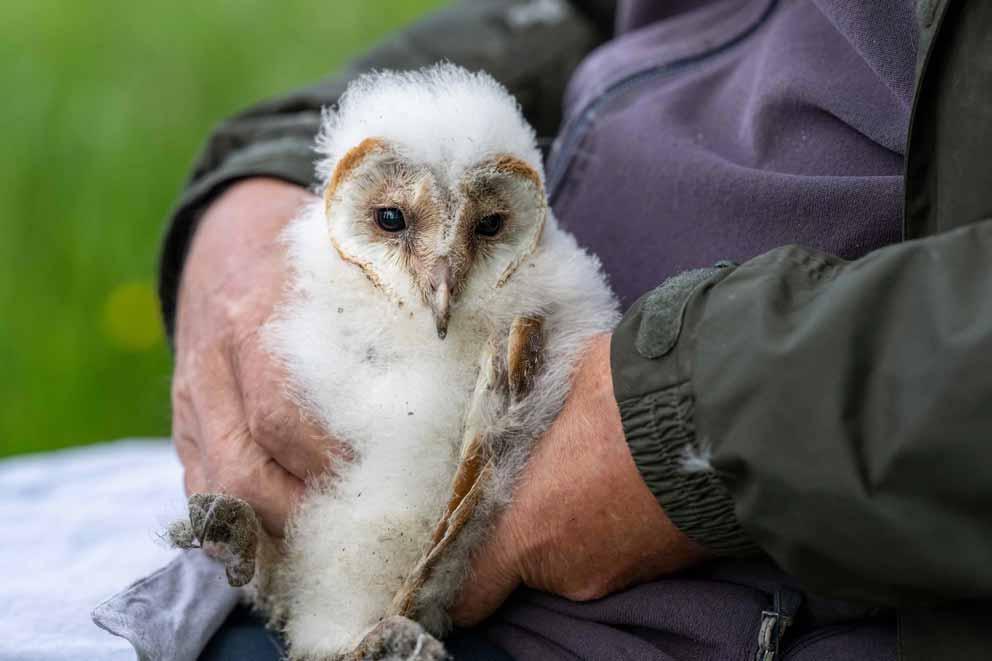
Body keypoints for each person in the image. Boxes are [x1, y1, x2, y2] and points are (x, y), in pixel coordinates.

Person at [155, 0, 992, 659]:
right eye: (389, 221)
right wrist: (265, 170)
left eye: (484, 231)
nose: (441, 275)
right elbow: (580, 11)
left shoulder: (546, 301)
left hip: (714, 613)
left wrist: (699, 418)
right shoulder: (348, 254)